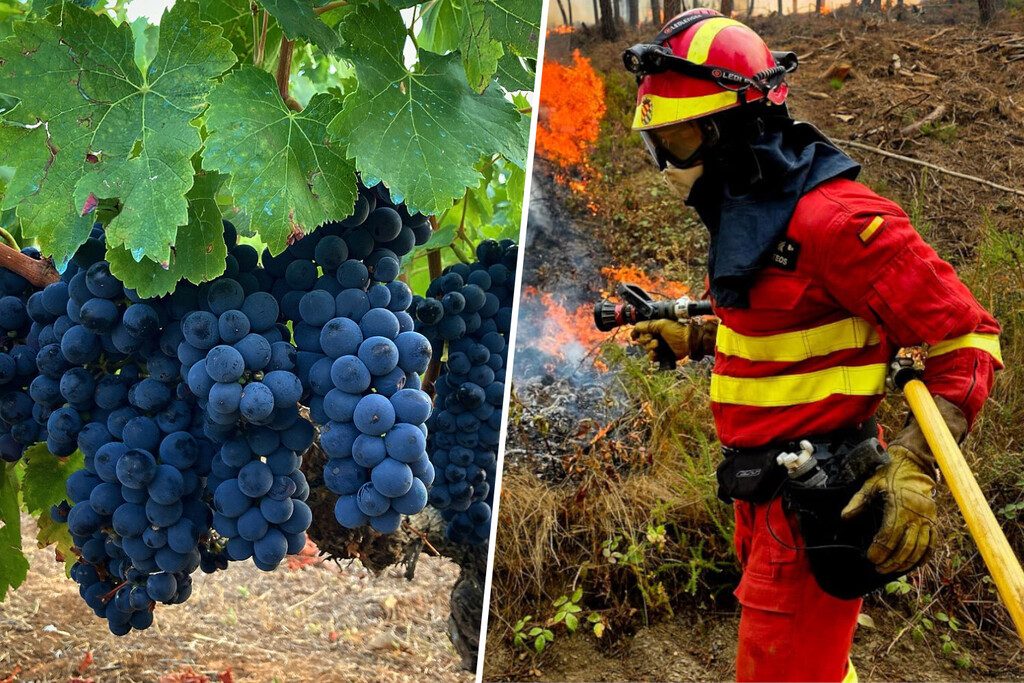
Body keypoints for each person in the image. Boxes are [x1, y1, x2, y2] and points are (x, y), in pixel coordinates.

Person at [624, 8, 1003, 683]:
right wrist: (701, 335)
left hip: (813, 505)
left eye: (676, 139)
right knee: (815, 665)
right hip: (761, 497)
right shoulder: (753, 207)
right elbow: (787, 322)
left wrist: (915, 466)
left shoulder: (839, 222)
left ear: (733, 129)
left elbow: (966, 338)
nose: (662, 163)